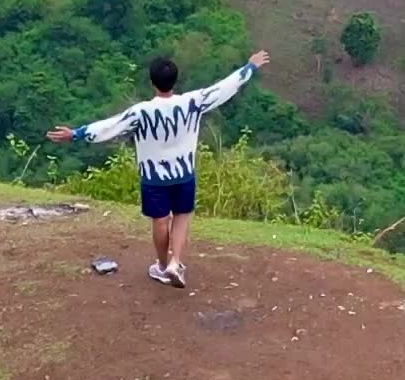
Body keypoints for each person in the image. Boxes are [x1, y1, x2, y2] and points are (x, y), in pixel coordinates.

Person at [47, 51, 270, 288]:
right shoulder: (192, 102)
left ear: (152, 83)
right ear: (175, 80)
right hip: (184, 174)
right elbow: (225, 88)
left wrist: (76, 134)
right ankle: (176, 262)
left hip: (154, 178)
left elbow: (110, 127)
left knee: (160, 221)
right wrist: (250, 67)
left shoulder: (141, 111)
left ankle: (163, 267)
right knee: (182, 216)